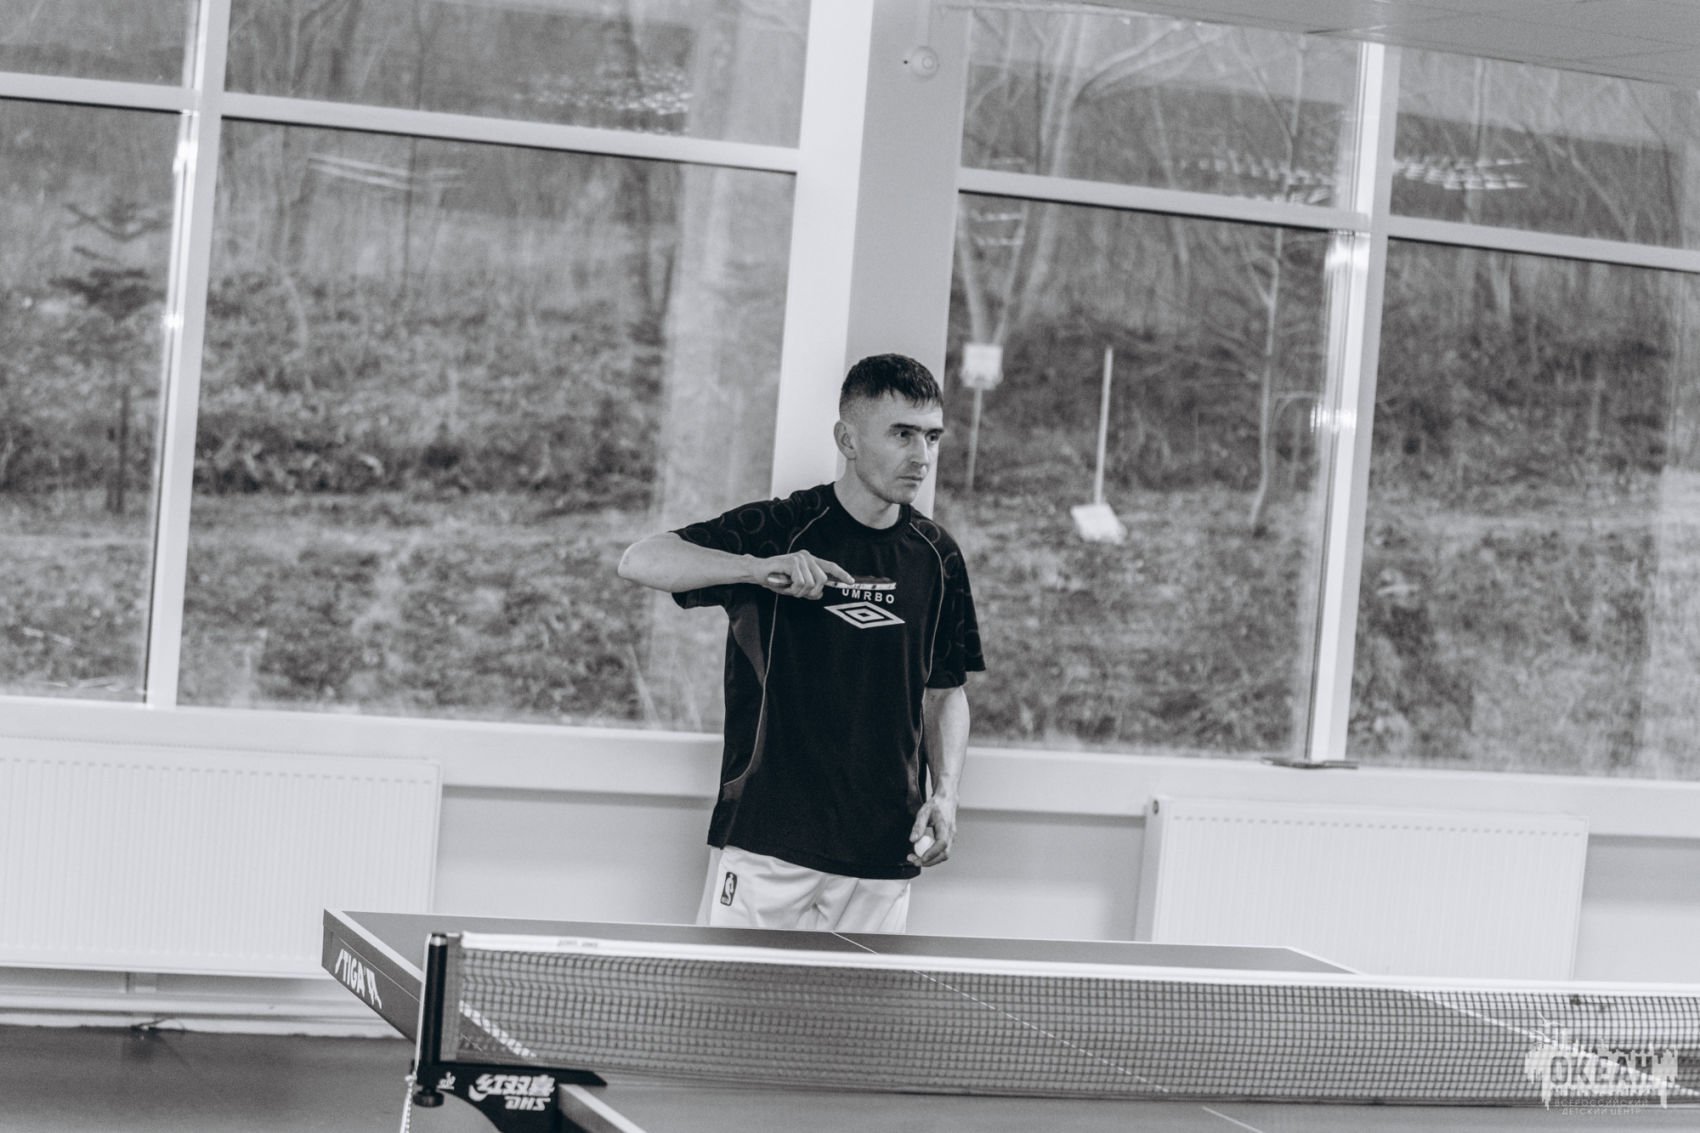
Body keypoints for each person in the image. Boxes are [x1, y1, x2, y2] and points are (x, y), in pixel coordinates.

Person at [617, 353, 984, 933]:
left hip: (884, 852)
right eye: (902, 434)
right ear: (848, 439)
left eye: (932, 436)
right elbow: (641, 560)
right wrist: (756, 569)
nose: (922, 456)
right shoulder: (783, 528)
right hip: (768, 841)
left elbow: (946, 693)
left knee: (859, 1001)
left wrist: (947, 795)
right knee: (730, 998)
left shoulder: (938, 556)